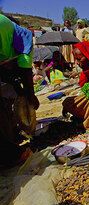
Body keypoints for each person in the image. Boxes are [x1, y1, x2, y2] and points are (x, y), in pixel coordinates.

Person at [0, 14, 39, 166]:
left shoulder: (7, 34)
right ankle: (12, 154)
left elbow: (7, 72)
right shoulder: (24, 37)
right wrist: (30, 94)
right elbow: (25, 70)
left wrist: (19, 89)